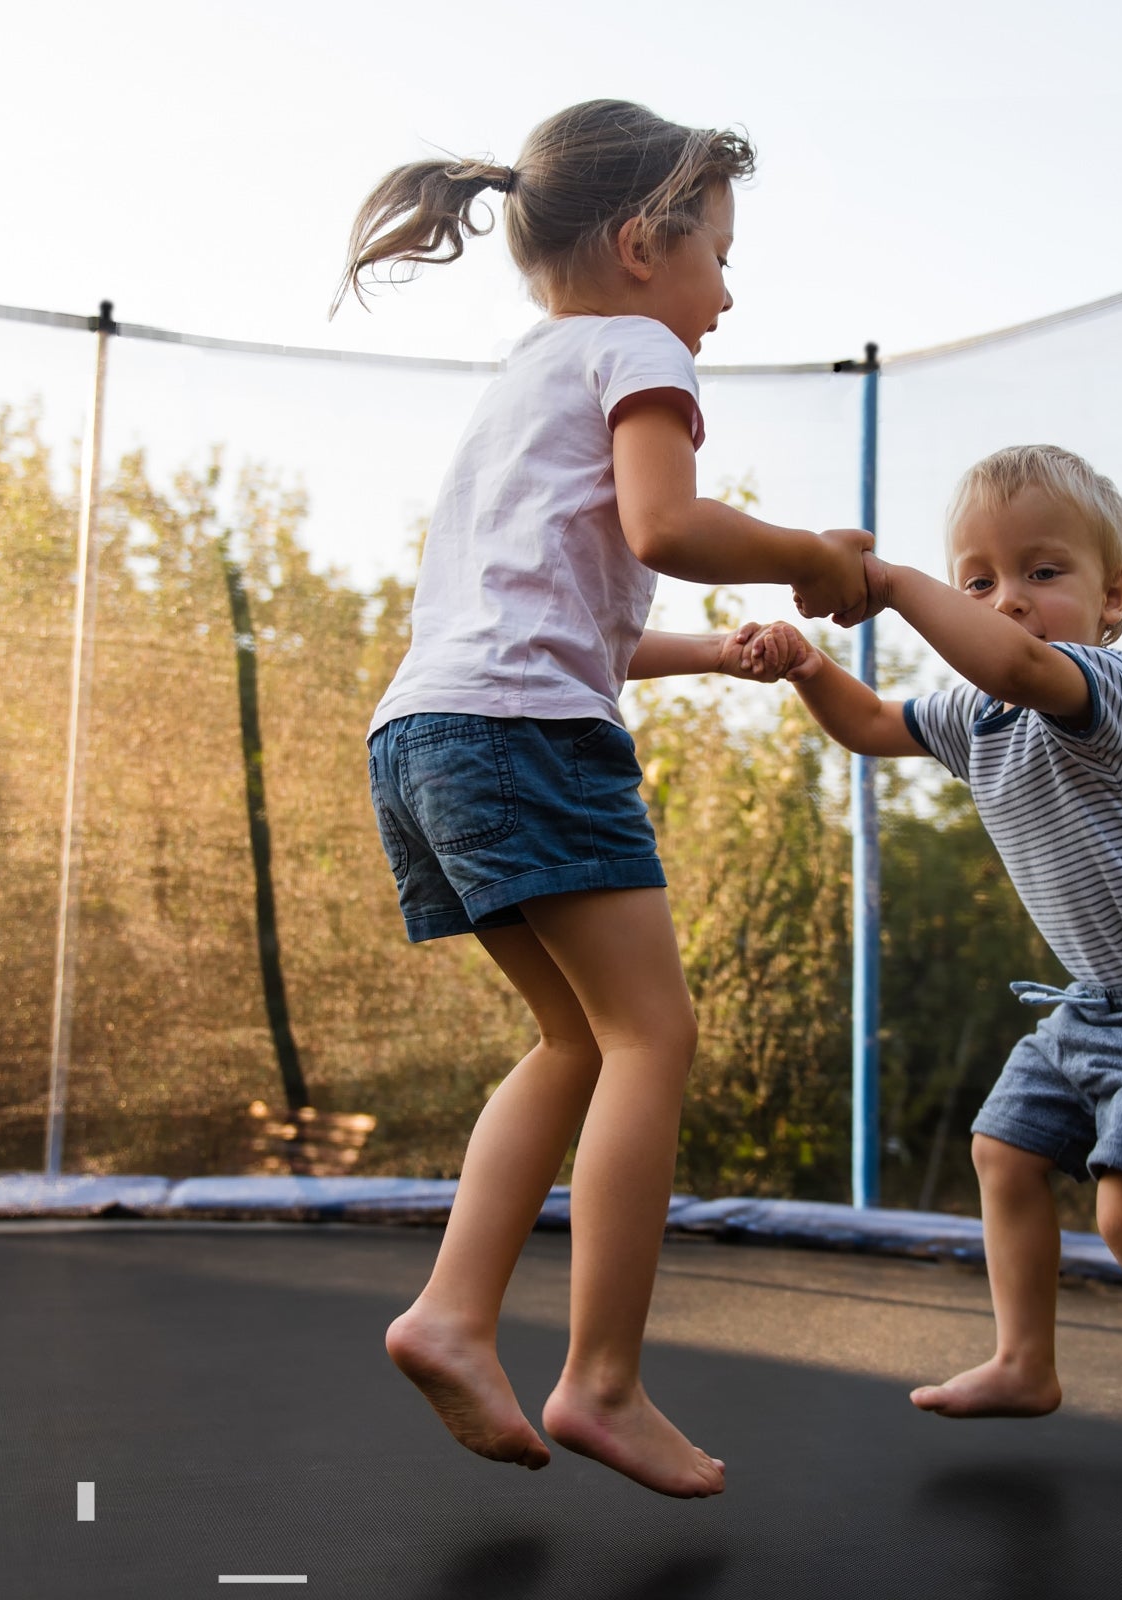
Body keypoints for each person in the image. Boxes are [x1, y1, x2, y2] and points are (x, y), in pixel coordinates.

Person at [337, 99, 869, 1500]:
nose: (727, 293)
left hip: (426, 734)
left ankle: (452, 1316)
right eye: (718, 255)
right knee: (653, 1037)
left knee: (575, 1040)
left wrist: (719, 650)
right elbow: (667, 527)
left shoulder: (524, 377)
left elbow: (585, 613)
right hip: (523, 739)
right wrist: (812, 556)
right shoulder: (637, 349)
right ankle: (603, 1379)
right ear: (644, 244)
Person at [750, 444, 1122, 1511]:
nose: (1009, 602)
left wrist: (898, 583)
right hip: (1091, 1004)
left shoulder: (1104, 687)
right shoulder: (969, 717)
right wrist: (812, 668)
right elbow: (868, 725)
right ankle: (1025, 1363)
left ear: (1111, 599)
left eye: (1043, 573)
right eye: (980, 580)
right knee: (1003, 1150)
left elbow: (1010, 665)